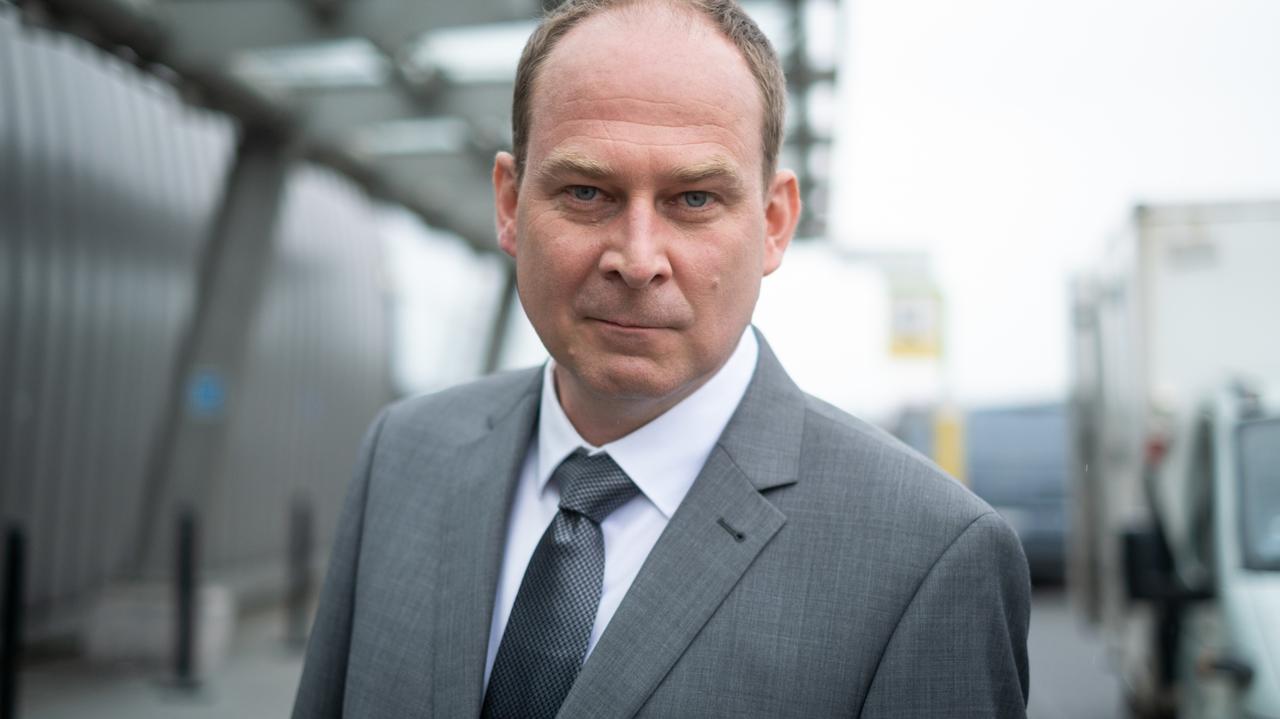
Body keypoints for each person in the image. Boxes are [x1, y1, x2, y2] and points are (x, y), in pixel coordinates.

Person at [292, 0, 1030, 716]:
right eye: (587, 192)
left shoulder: (929, 556)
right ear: (510, 205)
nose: (638, 259)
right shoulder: (403, 455)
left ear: (775, 223)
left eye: (694, 199)